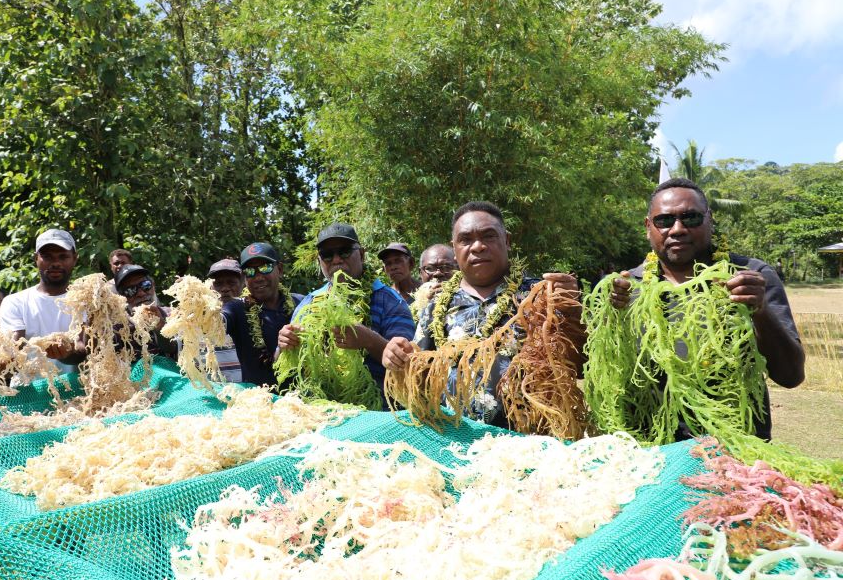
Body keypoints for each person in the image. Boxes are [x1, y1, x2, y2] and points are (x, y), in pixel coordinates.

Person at [609, 178, 804, 440]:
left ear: (709, 220)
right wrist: (606, 317)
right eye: (664, 220)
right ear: (648, 227)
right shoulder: (626, 288)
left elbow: (791, 376)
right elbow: (595, 370)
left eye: (690, 218)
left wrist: (760, 311)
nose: (677, 229)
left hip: (734, 452)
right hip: (651, 453)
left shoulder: (749, 276)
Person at [383, 201, 581, 427]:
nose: (477, 246)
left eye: (488, 236)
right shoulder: (438, 305)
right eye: (466, 240)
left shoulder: (541, 295)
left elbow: (578, 365)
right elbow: (417, 369)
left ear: (507, 240)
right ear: (454, 249)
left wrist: (571, 312)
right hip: (455, 440)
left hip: (527, 442)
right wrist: (396, 357)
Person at [279, 223, 416, 392]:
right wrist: (284, 344)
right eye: (327, 255)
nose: (336, 260)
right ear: (319, 261)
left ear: (361, 254)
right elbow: (282, 364)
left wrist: (369, 340)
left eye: (344, 251)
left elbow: (409, 366)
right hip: (319, 409)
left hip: (377, 412)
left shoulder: (390, 301)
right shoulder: (308, 303)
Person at [0, 229, 81, 375]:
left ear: (74, 258)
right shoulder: (15, 302)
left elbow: (86, 348)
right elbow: (12, 349)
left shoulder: (86, 301)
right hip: (28, 394)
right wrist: (8, 357)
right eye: (47, 257)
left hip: (77, 393)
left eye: (63, 257)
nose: (56, 263)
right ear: (36, 258)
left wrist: (67, 353)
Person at [221, 243, 304, 385]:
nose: (258, 277)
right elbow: (219, 321)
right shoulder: (236, 308)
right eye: (250, 271)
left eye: (265, 268)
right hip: (259, 402)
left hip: (303, 401)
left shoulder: (301, 303)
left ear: (280, 269)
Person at [114, 264, 177, 360]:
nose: (141, 293)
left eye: (145, 285)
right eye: (130, 290)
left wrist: (160, 327)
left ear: (153, 285)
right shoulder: (119, 328)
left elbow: (173, 349)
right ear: (122, 298)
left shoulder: (171, 314)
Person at [207, 258, 244, 382]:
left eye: (231, 283)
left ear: (243, 283)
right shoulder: (197, 316)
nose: (224, 289)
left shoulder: (253, 313)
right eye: (218, 284)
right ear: (210, 287)